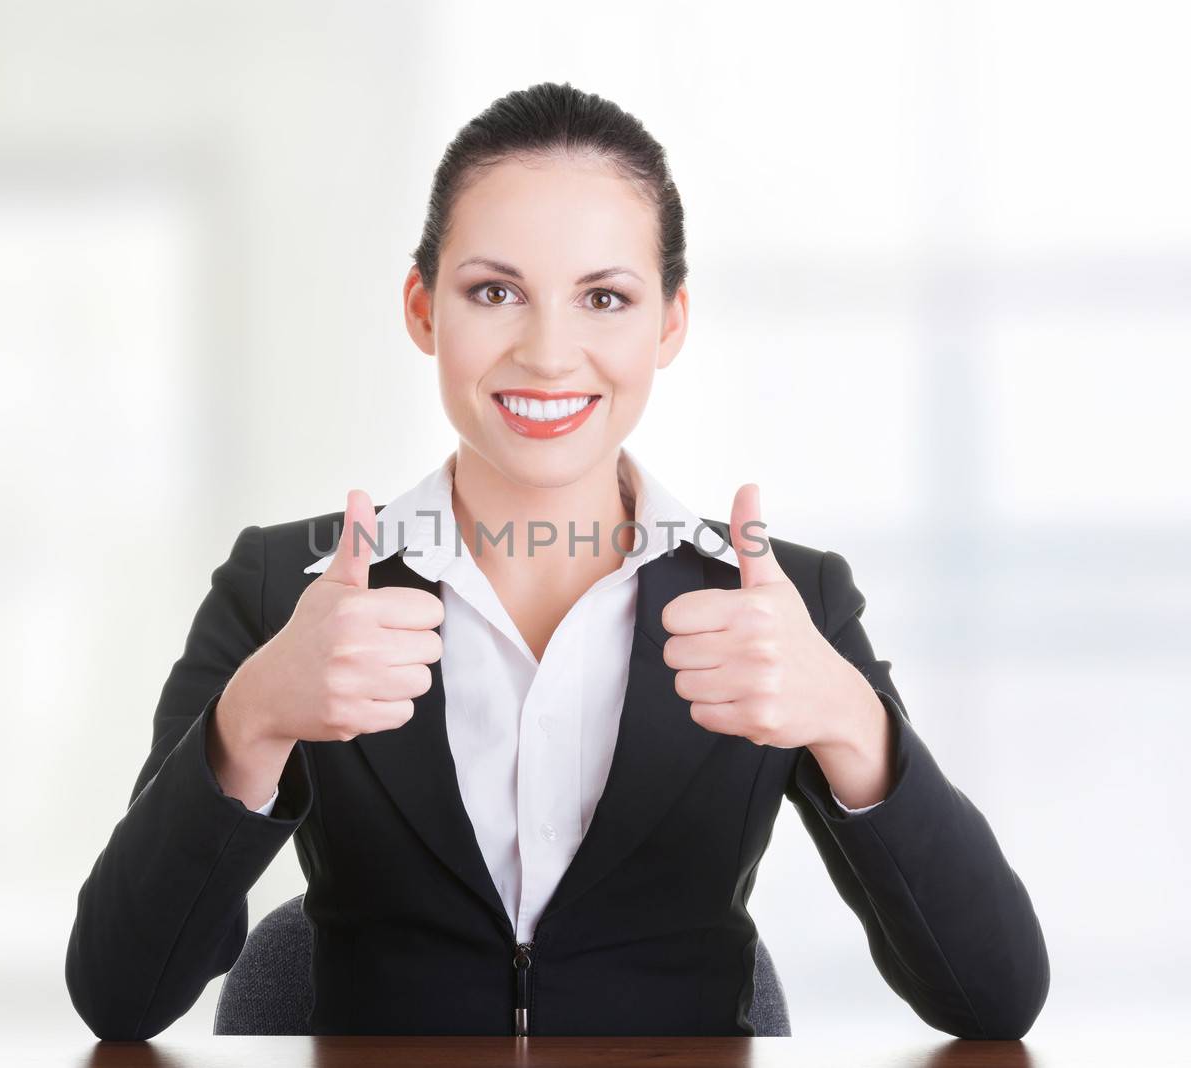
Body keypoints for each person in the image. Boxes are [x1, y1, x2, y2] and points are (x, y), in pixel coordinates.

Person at [65, 80, 1049, 1042]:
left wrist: (844, 717)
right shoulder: (288, 590)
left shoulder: (777, 605)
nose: (547, 351)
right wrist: (252, 717)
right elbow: (119, 996)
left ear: (668, 322)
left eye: (604, 298)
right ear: (422, 309)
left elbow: (993, 999)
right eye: (494, 291)